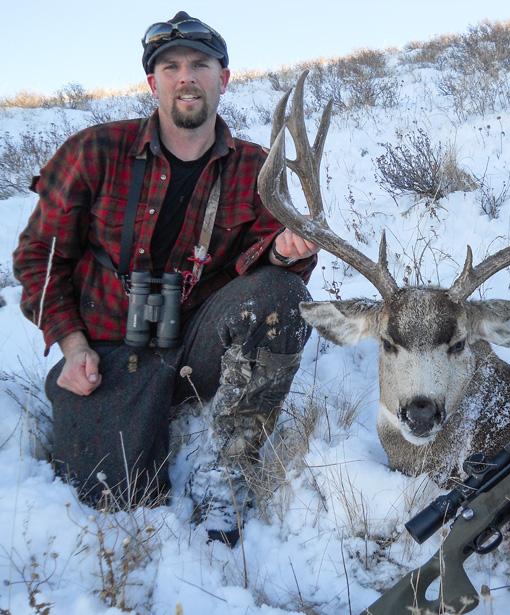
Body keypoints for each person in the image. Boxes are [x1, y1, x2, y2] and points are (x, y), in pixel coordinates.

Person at [12, 11, 319, 545]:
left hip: (201, 344)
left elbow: (272, 260)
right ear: (153, 83)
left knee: (282, 293)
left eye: (200, 65)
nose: (186, 78)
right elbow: (40, 256)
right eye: (171, 67)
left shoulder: (255, 167)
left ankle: (230, 463)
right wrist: (72, 344)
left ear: (223, 79)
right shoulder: (94, 151)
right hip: (110, 352)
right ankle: (104, 407)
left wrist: (284, 250)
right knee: (114, 498)